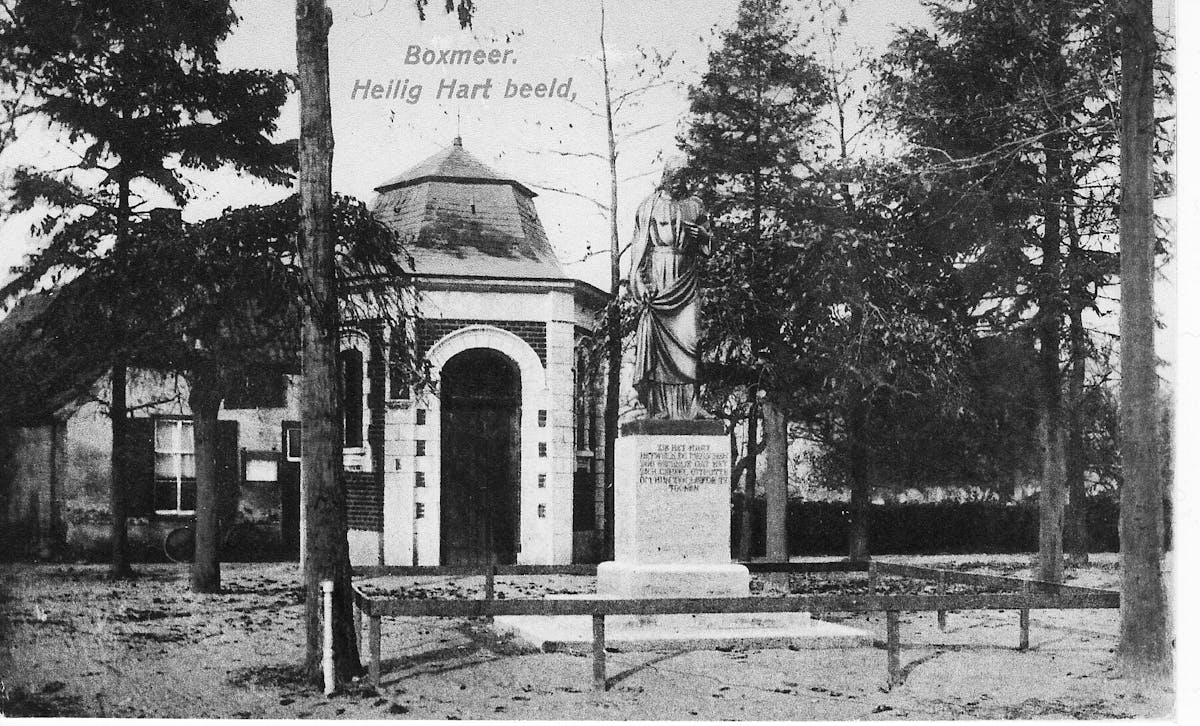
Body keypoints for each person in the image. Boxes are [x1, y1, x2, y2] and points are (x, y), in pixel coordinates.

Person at [627, 161, 712, 419]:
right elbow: (638, 249)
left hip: (686, 279)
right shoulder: (648, 206)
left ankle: (692, 405)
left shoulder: (695, 205)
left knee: (691, 339)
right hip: (659, 279)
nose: (679, 182)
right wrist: (639, 281)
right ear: (666, 177)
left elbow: (708, 245)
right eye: (675, 177)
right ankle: (659, 407)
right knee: (658, 346)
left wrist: (702, 237)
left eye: (683, 177)